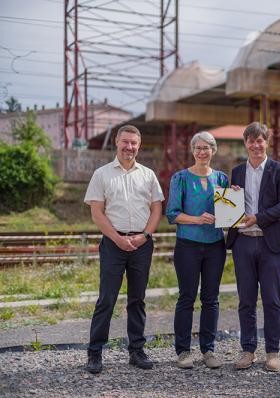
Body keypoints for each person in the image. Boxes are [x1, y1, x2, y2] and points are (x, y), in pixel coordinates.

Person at [83, 125, 164, 374]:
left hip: (142, 245)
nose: (129, 147)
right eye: (125, 142)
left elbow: (157, 208)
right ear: (116, 142)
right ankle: (95, 352)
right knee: (106, 299)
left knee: (137, 300)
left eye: (134, 143)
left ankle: (136, 350)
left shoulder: (148, 175)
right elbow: (96, 212)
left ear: (139, 145)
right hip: (112, 245)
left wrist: (145, 235)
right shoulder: (102, 174)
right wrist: (117, 238)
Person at [225, 122, 280, 372]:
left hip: (270, 243)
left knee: (272, 299)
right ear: (245, 143)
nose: (256, 145)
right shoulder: (236, 172)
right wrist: (230, 198)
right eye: (251, 141)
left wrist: (259, 217)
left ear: (267, 142)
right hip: (243, 242)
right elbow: (230, 207)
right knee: (245, 299)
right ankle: (248, 350)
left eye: (260, 140)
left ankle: (273, 353)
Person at [165, 131, 229, 370]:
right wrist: (196, 219)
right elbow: (172, 214)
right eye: (198, 148)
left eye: (207, 148)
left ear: (214, 150)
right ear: (193, 151)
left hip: (215, 246)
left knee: (211, 299)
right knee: (186, 297)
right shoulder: (180, 178)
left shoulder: (222, 179)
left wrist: (233, 203)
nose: (202, 152)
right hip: (188, 245)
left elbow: (228, 216)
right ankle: (183, 351)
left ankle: (208, 349)